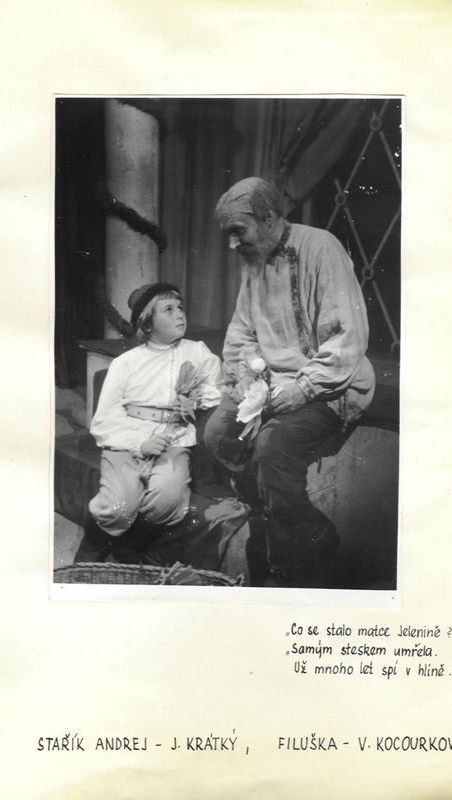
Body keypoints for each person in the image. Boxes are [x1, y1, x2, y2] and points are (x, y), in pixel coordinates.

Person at [204, 177, 376, 588]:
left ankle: (291, 559)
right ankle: (290, 523)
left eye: (237, 231)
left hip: (331, 382)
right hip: (271, 383)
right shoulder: (254, 260)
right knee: (217, 434)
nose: (232, 244)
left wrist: (305, 386)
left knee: (272, 445)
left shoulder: (321, 248)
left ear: (269, 218)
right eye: (227, 235)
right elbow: (242, 331)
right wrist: (245, 374)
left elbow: (347, 337)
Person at [75, 282, 222, 563]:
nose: (180, 314)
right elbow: (105, 417)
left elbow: (216, 387)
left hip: (173, 439)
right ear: (148, 323)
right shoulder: (127, 363)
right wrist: (139, 443)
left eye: (180, 308)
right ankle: (92, 546)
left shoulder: (197, 352)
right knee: (118, 505)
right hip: (128, 437)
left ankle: (130, 546)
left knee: (168, 499)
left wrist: (196, 400)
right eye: (169, 310)